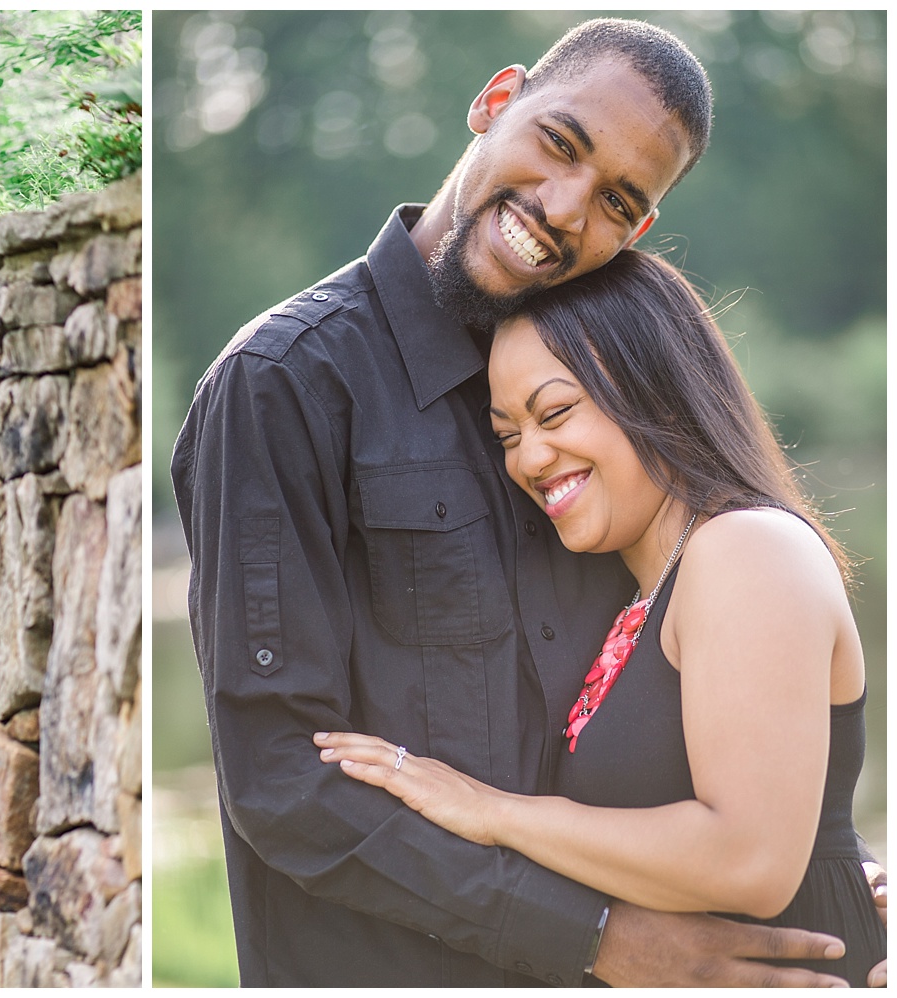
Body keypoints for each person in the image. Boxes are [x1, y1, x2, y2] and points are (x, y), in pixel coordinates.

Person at [170, 17, 880, 987]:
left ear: (637, 231)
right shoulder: (284, 382)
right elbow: (284, 781)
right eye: (560, 141)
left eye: (617, 200)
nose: (562, 206)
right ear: (496, 102)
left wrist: (817, 863)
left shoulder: (604, 417)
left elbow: (686, 720)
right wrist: (601, 934)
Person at [316, 249, 886, 986]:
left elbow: (750, 862)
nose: (530, 459)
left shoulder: (746, 548)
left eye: (553, 413)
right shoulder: (639, 592)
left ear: (659, 391)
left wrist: (489, 812)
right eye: (508, 435)